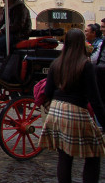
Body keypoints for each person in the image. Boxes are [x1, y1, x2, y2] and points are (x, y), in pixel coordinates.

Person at [38, 28, 105, 183]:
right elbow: (95, 98)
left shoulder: (56, 63)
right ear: (82, 43)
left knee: (64, 156)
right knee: (94, 153)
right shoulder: (85, 65)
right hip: (75, 112)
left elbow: (47, 91)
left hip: (56, 111)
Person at [0, 0, 32, 70]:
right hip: (8, 34)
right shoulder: (7, 8)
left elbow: (18, 26)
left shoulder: (20, 8)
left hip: (19, 36)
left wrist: (1, 31)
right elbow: (1, 23)